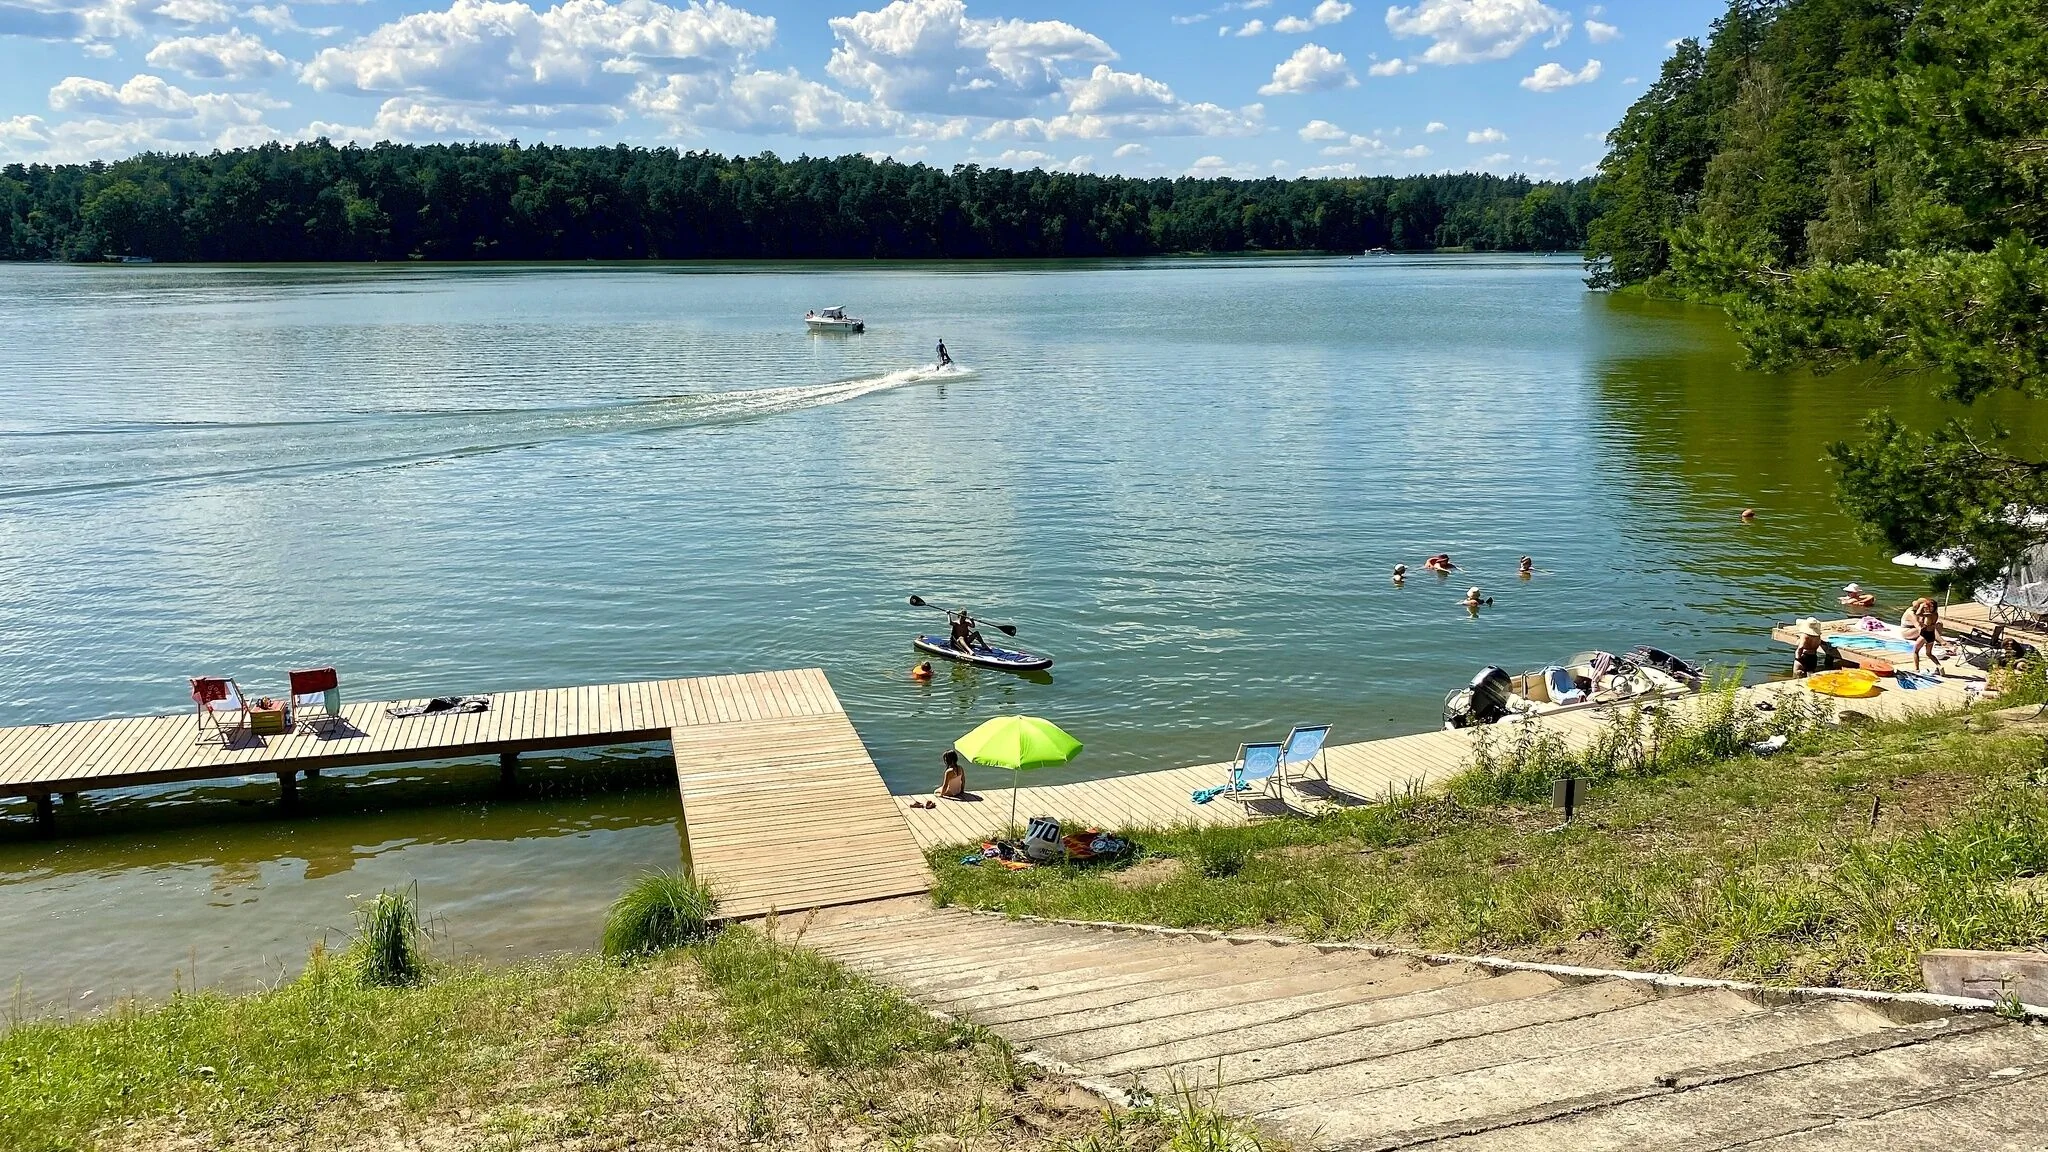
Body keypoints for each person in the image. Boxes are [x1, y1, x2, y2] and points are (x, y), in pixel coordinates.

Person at [1903, 596, 1941, 671]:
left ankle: (1916, 669)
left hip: (1925, 634)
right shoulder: (1935, 614)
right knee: (1929, 654)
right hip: (1932, 635)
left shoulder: (1928, 614)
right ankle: (1939, 666)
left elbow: (1917, 613)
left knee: (1915, 651)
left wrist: (1921, 606)